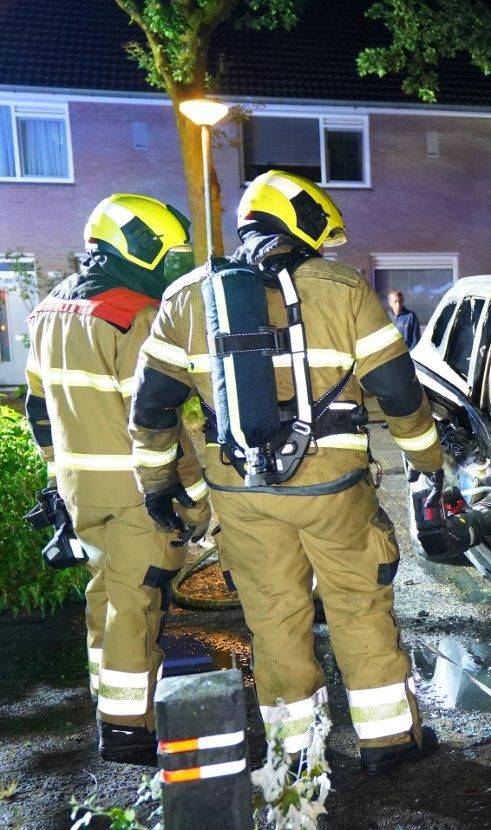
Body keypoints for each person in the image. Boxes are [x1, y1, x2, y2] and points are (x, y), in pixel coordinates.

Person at [129, 170, 445, 774]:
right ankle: (388, 744)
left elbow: (151, 407)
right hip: (332, 490)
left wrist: (159, 485)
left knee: (273, 614)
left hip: (240, 492)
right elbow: (399, 393)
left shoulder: (187, 297)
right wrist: (427, 463)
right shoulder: (343, 287)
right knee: (357, 604)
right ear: (300, 223)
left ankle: (294, 755)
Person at [24, 193, 210, 765]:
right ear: (139, 247)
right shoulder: (136, 314)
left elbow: (37, 408)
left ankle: (111, 705)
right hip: (140, 495)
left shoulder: (49, 310)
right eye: (169, 250)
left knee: (105, 598)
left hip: (83, 493)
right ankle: (129, 730)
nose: (177, 260)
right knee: (136, 605)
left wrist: (61, 474)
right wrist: (199, 498)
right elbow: (155, 419)